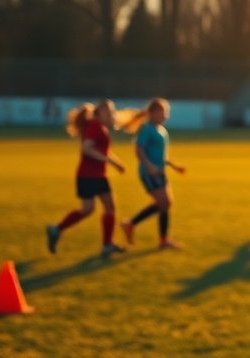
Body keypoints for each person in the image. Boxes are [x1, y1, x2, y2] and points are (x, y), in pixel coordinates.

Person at [45, 99, 129, 258]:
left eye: (112, 111)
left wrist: (115, 163)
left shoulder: (100, 127)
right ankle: (57, 229)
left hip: (97, 175)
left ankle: (107, 244)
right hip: (88, 175)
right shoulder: (95, 126)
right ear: (99, 113)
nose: (111, 114)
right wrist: (107, 160)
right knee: (89, 210)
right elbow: (86, 148)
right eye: (108, 111)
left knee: (107, 207)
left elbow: (102, 150)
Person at [119, 98, 186, 249]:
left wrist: (174, 166)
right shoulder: (146, 129)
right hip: (149, 173)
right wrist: (149, 167)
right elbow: (139, 150)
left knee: (165, 203)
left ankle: (131, 224)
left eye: (167, 112)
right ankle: (161, 239)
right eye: (163, 112)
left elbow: (161, 155)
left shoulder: (162, 130)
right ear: (153, 113)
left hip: (160, 172)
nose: (166, 115)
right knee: (164, 203)